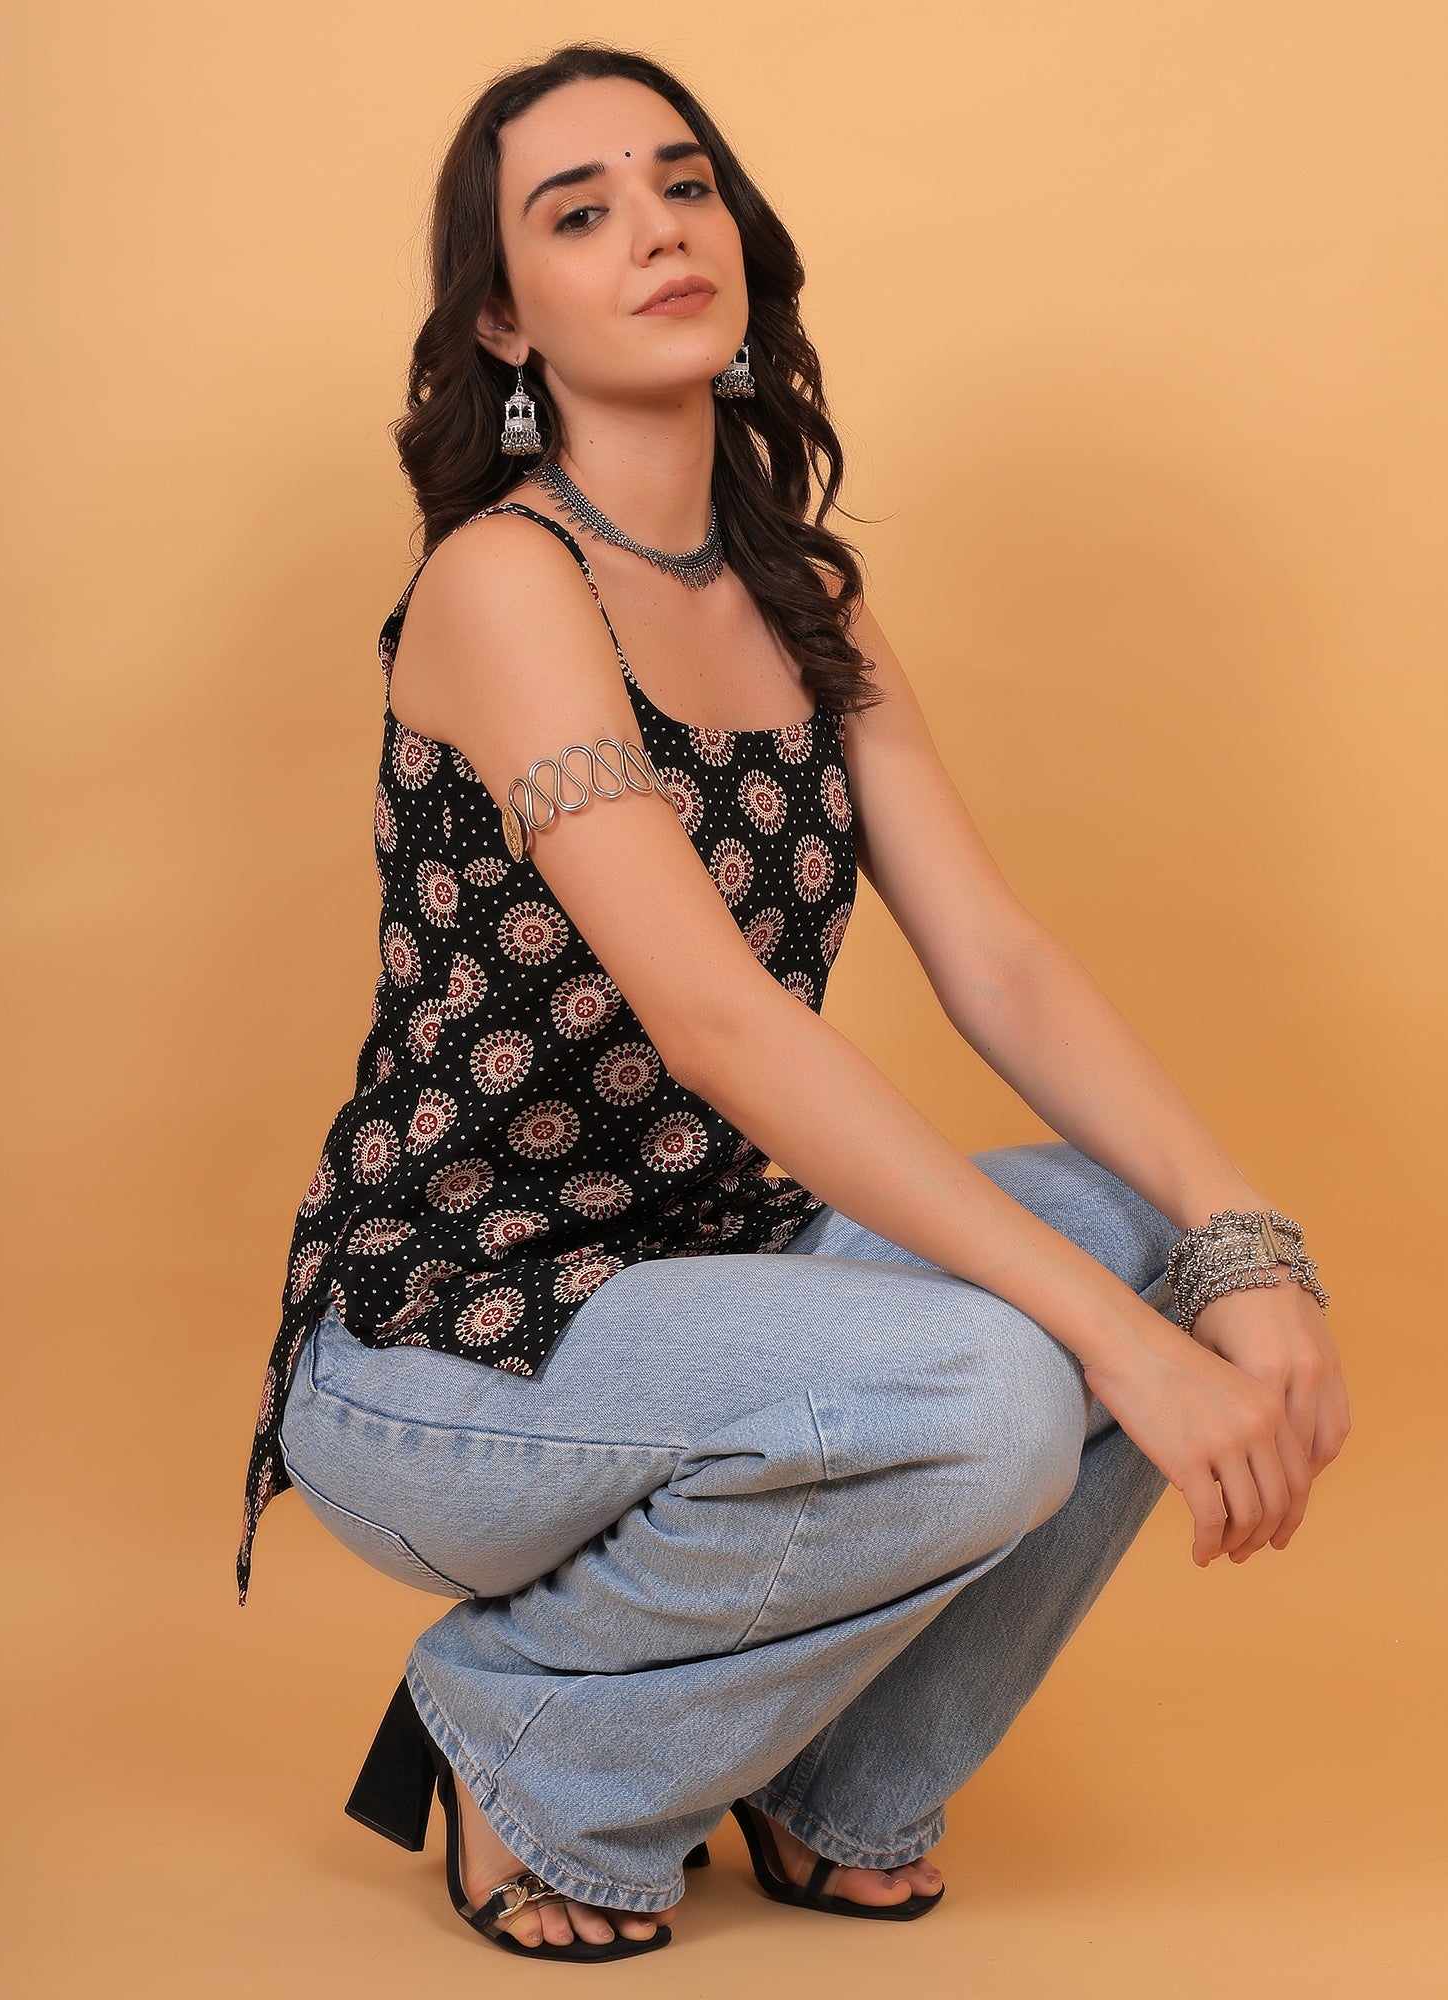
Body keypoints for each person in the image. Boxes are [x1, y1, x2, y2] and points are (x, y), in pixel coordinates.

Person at [236, 41, 1349, 1963]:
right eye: (578, 213)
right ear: (506, 319)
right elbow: (724, 1028)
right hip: (459, 1343)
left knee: (1153, 1249)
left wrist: (1240, 1244)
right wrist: (1119, 1354)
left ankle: (841, 1792)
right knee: (1009, 1367)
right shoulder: (507, 587)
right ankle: (531, 1750)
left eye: (684, 185)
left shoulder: (797, 591)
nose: (659, 230)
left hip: (723, 1282)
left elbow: (991, 956)